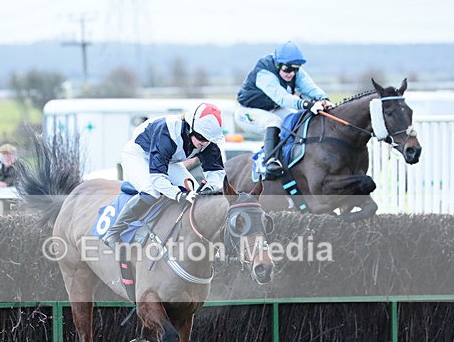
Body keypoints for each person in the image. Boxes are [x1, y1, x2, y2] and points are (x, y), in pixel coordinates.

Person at [101, 102, 225, 249]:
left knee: (197, 192)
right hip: (138, 155)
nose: (203, 143)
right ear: (189, 127)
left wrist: (209, 188)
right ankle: (113, 232)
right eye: (200, 137)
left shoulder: (207, 142)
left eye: (208, 139)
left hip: (168, 160)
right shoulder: (168, 132)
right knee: (151, 192)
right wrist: (179, 195)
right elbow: (157, 178)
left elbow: (216, 173)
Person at [235, 40, 333, 177]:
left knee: (297, 119)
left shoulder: (292, 70)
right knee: (273, 122)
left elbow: (309, 87)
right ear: (278, 64)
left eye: (295, 69)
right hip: (247, 112)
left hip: (273, 108)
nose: (291, 73)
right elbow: (282, 98)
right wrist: (306, 104)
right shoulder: (264, 73)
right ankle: (270, 161)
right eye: (287, 69)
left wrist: (324, 100)